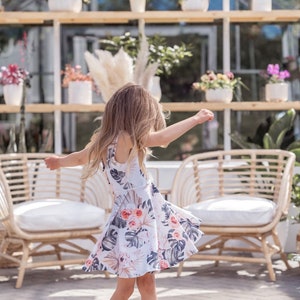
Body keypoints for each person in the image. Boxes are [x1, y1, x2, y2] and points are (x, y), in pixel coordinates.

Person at [45, 82, 214, 300]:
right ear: (137, 114)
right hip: (135, 225)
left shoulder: (103, 141)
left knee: (143, 282)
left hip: (136, 221)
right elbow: (162, 139)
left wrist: (58, 162)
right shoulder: (126, 138)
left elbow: (78, 157)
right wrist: (196, 119)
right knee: (133, 286)